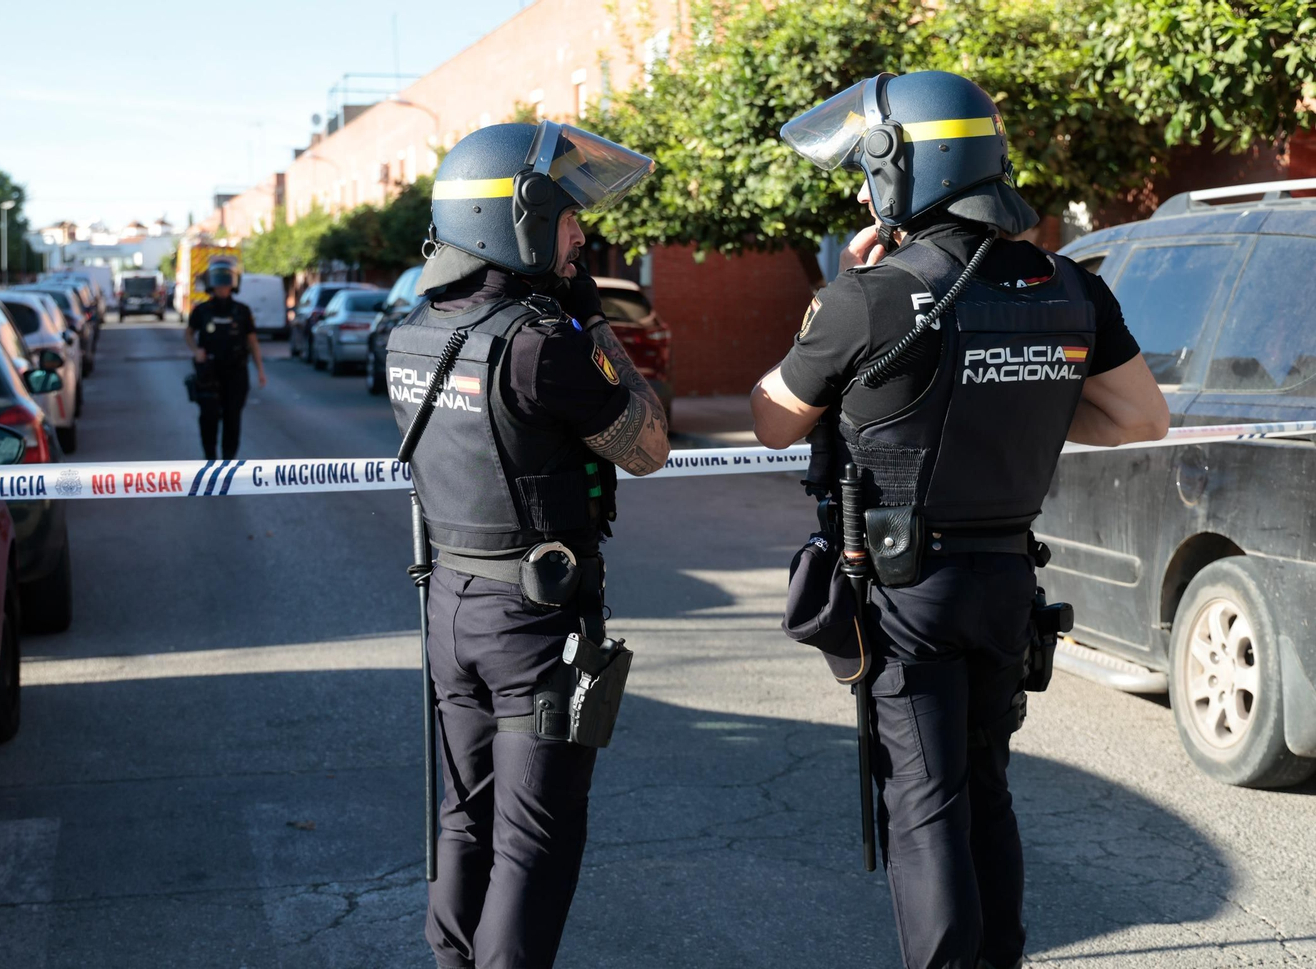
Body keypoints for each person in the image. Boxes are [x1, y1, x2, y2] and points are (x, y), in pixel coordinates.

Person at [752, 71, 1171, 969]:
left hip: (909, 590)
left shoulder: (870, 294)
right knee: (986, 792)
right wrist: (1035, 395)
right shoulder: (1070, 286)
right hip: (1008, 583)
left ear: (902, 169)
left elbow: (772, 417)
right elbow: (1142, 417)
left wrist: (830, 303)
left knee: (925, 803)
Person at [386, 121, 669, 969]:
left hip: (450, 609)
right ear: (516, 219)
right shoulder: (543, 343)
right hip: (536, 623)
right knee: (534, 841)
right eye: (567, 215)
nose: (581, 232)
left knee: (463, 818)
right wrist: (596, 327)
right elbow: (648, 444)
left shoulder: (413, 331)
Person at [184, 264, 266, 460]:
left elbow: (252, 341)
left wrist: (260, 370)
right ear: (211, 287)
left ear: (232, 286)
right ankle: (210, 460)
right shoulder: (202, 311)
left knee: (233, 417)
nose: (222, 289)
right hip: (210, 372)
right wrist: (196, 351)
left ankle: (228, 462)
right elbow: (188, 333)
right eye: (218, 285)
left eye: (225, 285)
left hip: (236, 371)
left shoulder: (242, 311)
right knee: (209, 417)